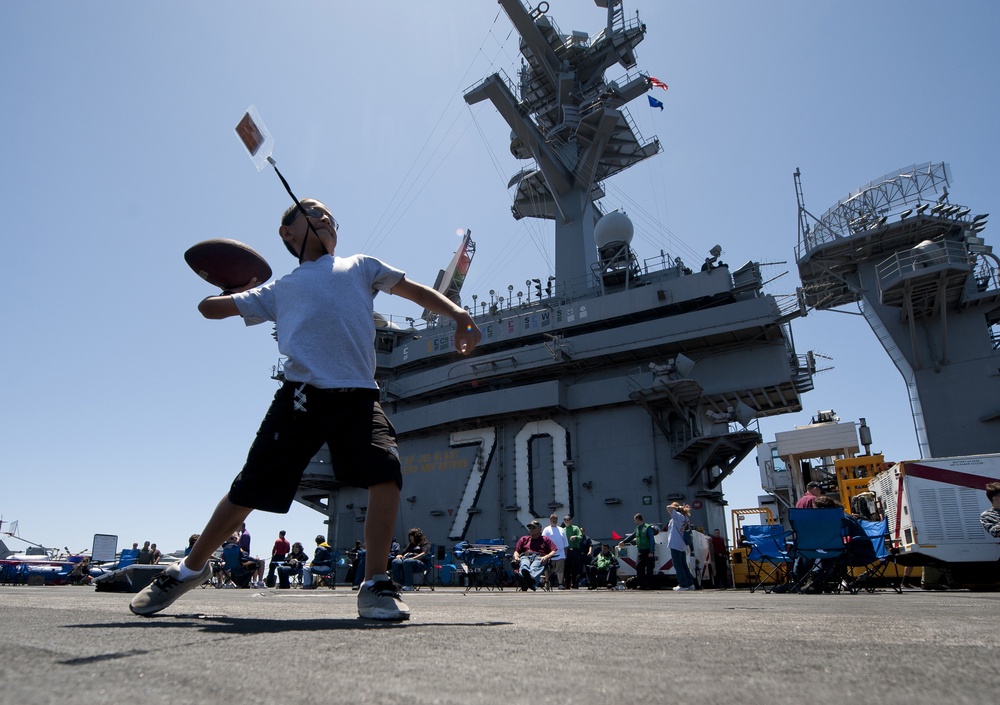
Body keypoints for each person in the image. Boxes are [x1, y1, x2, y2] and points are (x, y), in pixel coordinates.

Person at [129, 197, 481, 621]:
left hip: (358, 396)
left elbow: (413, 290)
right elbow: (210, 310)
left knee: (385, 470)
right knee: (248, 488)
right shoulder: (281, 288)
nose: (325, 217)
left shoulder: (361, 266)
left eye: (331, 216)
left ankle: (375, 584)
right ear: (288, 234)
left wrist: (460, 314)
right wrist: (233, 286)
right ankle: (187, 569)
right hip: (301, 395)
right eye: (312, 211)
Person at [512, 521, 557, 591]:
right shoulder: (524, 539)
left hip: (539, 556)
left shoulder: (545, 539)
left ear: (540, 529)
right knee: (524, 564)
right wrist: (516, 557)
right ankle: (530, 582)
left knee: (535, 566)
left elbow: (554, 550)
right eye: (530, 528)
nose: (531, 529)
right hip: (525, 555)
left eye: (533, 528)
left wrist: (547, 556)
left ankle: (524, 581)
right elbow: (517, 551)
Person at [618, 513, 656, 589]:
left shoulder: (647, 527)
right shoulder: (637, 528)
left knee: (649, 568)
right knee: (639, 566)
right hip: (640, 550)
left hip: (648, 550)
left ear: (638, 519)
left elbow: (652, 540)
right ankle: (642, 584)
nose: (634, 521)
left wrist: (651, 551)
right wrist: (624, 542)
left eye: (635, 520)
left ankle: (649, 585)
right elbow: (632, 536)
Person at [666, 503, 695, 591]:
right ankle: (690, 583)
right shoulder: (685, 518)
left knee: (678, 565)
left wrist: (677, 507)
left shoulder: (678, 516)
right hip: (682, 545)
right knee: (683, 565)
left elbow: (668, 507)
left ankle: (683, 584)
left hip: (675, 544)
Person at [542, 514, 567, 589]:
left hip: (561, 554)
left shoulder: (561, 529)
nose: (554, 520)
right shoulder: (546, 529)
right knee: (547, 569)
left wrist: (565, 554)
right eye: (552, 519)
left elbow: (566, 544)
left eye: (555, 519)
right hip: (549, 554)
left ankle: (560, 584)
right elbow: (543, 541)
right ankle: (547, 583)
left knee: (560, 570)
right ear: (550, 520)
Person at [562, 515, 583, 589]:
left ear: (571, 521)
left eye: (568, 520)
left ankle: (575, 584)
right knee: (566, 568)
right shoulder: (563, 530)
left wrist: (575, 537)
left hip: (575, 550)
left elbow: (580, 536)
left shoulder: (575, 528)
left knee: (575, 568)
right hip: (566, 550)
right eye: (565, 520)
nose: (566, 521)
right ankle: (567, 585)